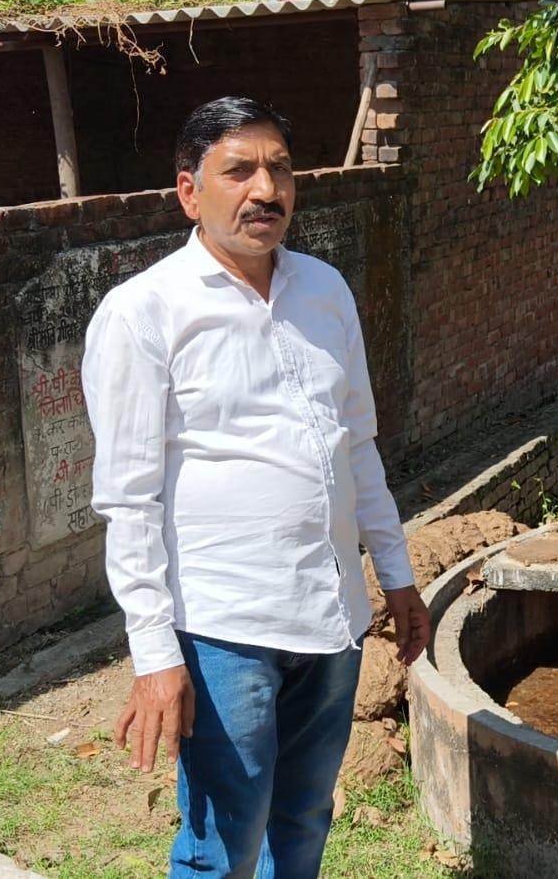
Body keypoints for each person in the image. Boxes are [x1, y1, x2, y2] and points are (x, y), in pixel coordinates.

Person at [81, 96, 430, 879]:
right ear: (188, 191)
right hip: (222, 627)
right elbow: (128, 501)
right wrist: (153, 654)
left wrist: (397, 575)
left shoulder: (325, 291)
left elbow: (358, 445)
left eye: (279, 168)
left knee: (304, 818)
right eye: (238, 170)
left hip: (332, 613)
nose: (264, 189)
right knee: (223, 846)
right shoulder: (144, 313)